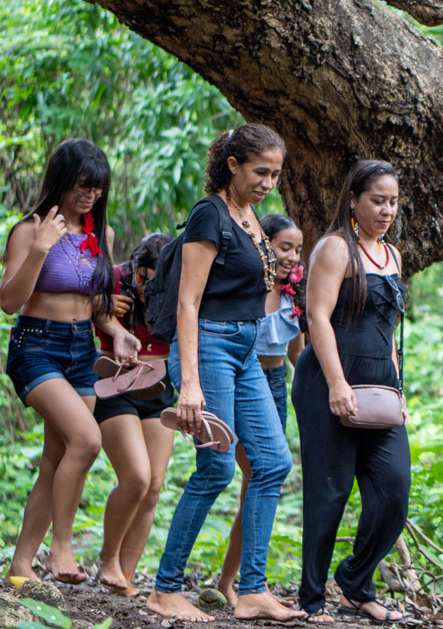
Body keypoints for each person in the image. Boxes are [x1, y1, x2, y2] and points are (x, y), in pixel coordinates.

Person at [145, 124, 303, 623]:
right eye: (260, 171)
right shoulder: (208, 214)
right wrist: (188, 381)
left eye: (275, 174)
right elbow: (189, 301)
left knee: (274, 462)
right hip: (208, 345)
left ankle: (252, 591)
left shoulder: (250, 216)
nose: (268, 182)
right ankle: (165, 588)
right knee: (216, 468)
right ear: (232, 164)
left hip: (246, 345)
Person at [1, 139, 140, 584]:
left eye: (98, 188)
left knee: (55, 457)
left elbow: (98, 304)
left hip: (83, 348)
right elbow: (8, 302)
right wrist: (41, 247)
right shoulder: (30, 229)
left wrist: (117, 332)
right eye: (84, 185)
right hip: (38, 346)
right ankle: (61, 549)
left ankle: (21, 566)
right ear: (61, 179)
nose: (91, 195)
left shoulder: (102, 235)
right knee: (86, 440)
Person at [292, 160, 409, 624]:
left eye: (393, 202)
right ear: (354, 200)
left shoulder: (392, 256)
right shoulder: (336, 248)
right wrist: (337, 383)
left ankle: (355, 583)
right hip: (329, 379)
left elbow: (389, 331)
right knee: (330, 491)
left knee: (393, 489)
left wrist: (398, 390)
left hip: (380, 383)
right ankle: (312, 598)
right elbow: (316, 317)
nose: (386, 210)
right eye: (377, 200)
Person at [218, 213, 305, 606]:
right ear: (264, 245)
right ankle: (240, 582)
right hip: (241, 383)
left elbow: (296, 355)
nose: (291, 256)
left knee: (259, 481)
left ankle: (233, 581)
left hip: (275, 385)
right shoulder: (246, 285)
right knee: (255, 475)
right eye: (284, 247)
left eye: (297, 249)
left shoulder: (293, 293)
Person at [94, 232, 175, 596]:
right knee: (137, 477)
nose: (147, 288)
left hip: (159, 387)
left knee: (155, 487)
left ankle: (124, 575)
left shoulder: (178, 289)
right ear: (135, 267)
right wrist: (105, 307)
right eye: (143, 278)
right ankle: (107, 559)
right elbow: (79, 307)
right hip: (116, 383)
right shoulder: (113, 277)